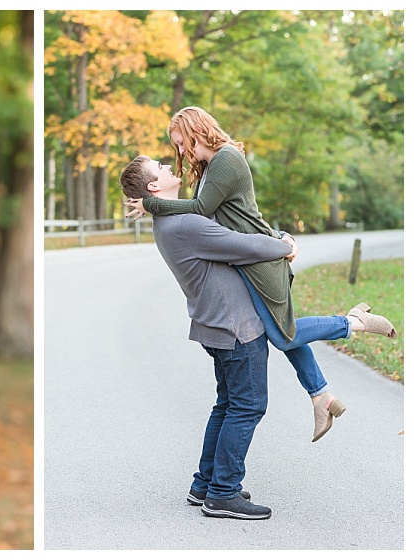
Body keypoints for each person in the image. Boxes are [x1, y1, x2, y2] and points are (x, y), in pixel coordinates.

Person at [125, 106, 396, 442]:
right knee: (282, 329)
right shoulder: (210, 167)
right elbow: (226, 215)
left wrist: (151, 204)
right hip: (250, 258)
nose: (179, 151)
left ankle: (353, 323)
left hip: (259, 260)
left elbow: (201, 211)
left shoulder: (226, 158)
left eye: (180, 142)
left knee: (283, 333)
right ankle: (320, 397)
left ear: (196, 130)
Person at [119, 155, 302, 520]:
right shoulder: (184, 223)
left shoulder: (170, 221)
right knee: (248, 406)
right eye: (163, 168)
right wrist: (284, 243)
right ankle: (223, 493)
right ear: (155, 187)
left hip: (216, 323)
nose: (172, 168)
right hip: (235, 328)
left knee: (227, 404)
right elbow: (243, 245)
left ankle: (205, 483)